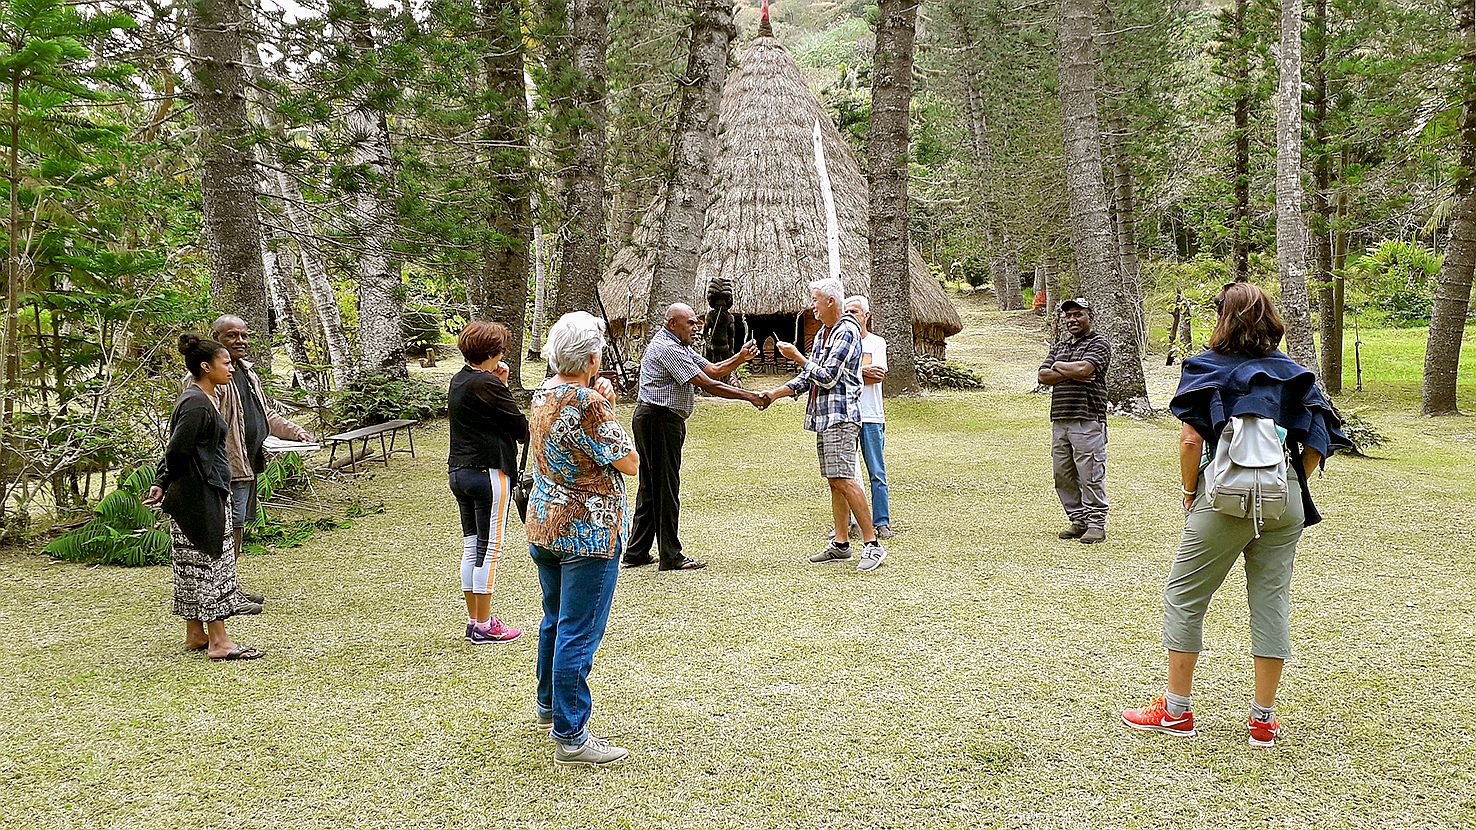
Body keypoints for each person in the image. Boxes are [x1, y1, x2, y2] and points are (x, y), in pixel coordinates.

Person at [1121, 281, 1350, 748]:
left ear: (1223, 318)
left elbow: (1190, 440)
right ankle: (1263, 720)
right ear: (1271, 319)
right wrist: (1291, 481)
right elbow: (1317, 440)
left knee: (1185, 596)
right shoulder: (1294, 373)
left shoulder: (1206, 367)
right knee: (1271, 600)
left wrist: (1190, 492)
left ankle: (1177, 711)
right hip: (1282, 500)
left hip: (1221, 499)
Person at [526, 312, 640, 767]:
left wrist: (596, 395)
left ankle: (549, 705)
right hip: (587, 530)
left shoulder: (542, 393)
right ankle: (571, 734)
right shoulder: (590, 404)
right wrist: (603, 404)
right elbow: (628, 461)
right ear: (593, 358)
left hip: (546, 521)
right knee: (579, 629)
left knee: (555, 619)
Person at [146, 335, 264, 660]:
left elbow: (179, 448)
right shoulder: (196, 403)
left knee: (193, 565)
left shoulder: (206, 398)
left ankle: (196, 634)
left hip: (202, 492)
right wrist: (167, 480)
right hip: (200, 497)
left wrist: (163, 482)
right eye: (225, 363)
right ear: (205, 367)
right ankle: (220, 643)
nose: (230, 367)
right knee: (211, 566)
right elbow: (177, 449)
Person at [759, 277, 887, 572]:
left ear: (831, 301)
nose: (812, 305)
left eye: (816, 300)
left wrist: (797, 357)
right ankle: (841, 544)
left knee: (844, 478)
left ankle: (872, 544)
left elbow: (827, 376)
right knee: (835, 480)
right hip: (824, 417)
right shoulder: (822, 335)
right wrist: (773, 395)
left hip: (842, 417)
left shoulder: (846, 332)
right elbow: (808, 379)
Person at [624, 303, 763, 572]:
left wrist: (740, 358)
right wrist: (750, 397)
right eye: (690, 322)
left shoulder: (680, 346)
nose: (696, 327)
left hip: (659, 419)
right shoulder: (668, 349)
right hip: (658, 420)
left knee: (652, 488)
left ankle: (636, 551)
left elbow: (712, 369)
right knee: (665, 488)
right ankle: (671, 555)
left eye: (695, 322)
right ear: (672, 324)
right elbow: (709, 384)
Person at [203, 315, 315, 604]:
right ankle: (221, 591)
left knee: (238, 526)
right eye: (232, 336)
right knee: (227, 528)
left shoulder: (246, 372)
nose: (240, 341)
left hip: (249, 462)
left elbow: (266, 414)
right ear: (216, 339)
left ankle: (229, 587)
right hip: (226, 467)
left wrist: (296, 432)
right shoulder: (209, 378)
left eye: (244, 335)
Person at [447, 321, 528, 644]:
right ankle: (483, 624)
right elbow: (519, 426)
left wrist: (499, 383)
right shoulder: (488, 385)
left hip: (460, 472)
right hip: (488, 472)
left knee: (472, 547)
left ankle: (475, 619)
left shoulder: (460, 380)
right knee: (490, 548)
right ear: (494, 353)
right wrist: (503, 386)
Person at [1037, 298, 1113, 544]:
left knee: (1090, 472)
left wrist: (1060, 368)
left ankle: (1096, 523)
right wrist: (1068, 369)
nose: (1072, 320)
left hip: (1088, 416)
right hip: (1060, 418)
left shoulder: (1099, 343)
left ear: (1090, 316)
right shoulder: (1060, 345)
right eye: (1068, 316)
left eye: (1078, 314)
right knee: (1063, 473)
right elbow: (1042, 376)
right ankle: (1078, 520)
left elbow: (1084, 371)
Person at [844, 295, 894, 541]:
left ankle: (882, 521)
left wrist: (849, 371)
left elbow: (878, 375)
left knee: (876, 471)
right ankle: (851, 521)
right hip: (847, 416)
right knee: (846, 473)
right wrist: (861, 371)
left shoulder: (876, 343)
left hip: (872, 415)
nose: (850, 316)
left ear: (866, 315)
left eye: (854, 311)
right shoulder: (841, 343)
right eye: (847, 312)